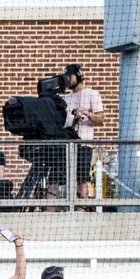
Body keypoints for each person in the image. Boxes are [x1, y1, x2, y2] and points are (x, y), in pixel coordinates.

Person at [61, 63, 104, 199]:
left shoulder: (92, 94)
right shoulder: (65, 98)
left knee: (82, 178)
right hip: (67, 143)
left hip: (84, 143)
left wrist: (86, 113)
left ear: (78, 75)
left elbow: (101, 119)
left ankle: (82, 208)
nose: (67, 79)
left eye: (70, 76)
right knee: (62, 177)